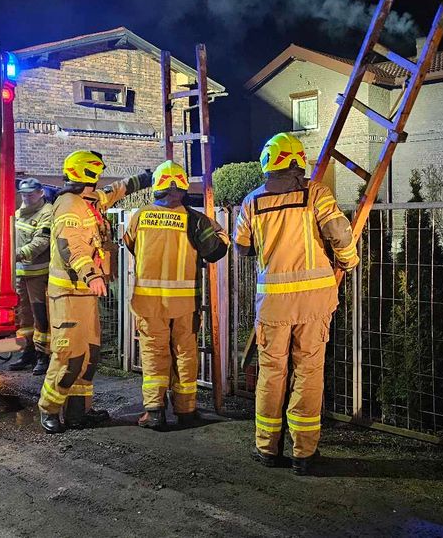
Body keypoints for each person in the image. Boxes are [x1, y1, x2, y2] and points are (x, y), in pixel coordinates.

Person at [234, 133, 359, 474]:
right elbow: (340, 232)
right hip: (313, 304)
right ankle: (303, 453)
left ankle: (266, 449)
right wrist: (348, 260)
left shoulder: (252, 202)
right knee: (308, 373)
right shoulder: (316, 193)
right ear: (297, 161)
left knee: (271, 374)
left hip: (273, 305)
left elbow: (241, 248)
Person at [38, 151, 150, 434]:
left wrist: (145, 179)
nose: (101, 179)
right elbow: (70, 247)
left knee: (88, 355)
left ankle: (78, 412)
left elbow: (116, 191)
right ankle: (49, 409)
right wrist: (92, 275)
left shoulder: (90, 201)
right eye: (98, 173)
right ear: (91, 175)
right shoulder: (68, 206)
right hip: (69, 295)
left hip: (84, 295)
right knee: (68, 356)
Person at [122, 160, 229, 430]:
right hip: (184, 303)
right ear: (182, 188)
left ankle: (155, 411)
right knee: (186, 353)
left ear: (157, 186)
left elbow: (130, 245)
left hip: (148, 303)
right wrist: (224, 237)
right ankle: (186, 410)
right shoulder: (195, 219)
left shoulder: (140, 216)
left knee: (153, 353)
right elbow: (215, 250)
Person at [9, 178, 53, 374]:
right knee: (23, 315)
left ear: (41, 193)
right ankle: (27, 352)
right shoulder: (19, 212)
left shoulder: (46, 213)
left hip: (38, 275)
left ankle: (43, 356)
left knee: (40, 317)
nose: (26, 197)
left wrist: (13, 255)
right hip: (20, 273)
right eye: (24, 194)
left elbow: (40, 243)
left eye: (31, 194)